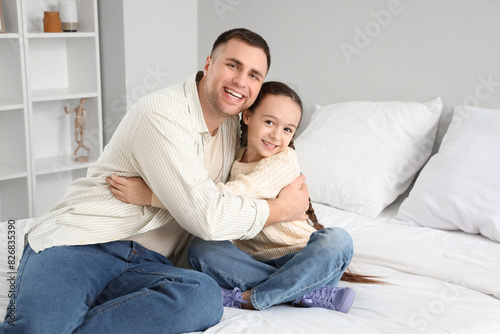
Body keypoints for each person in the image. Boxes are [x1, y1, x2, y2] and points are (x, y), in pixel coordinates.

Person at [0, 28, 312, 334]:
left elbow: (230, 188)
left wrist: (156, 196)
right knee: (39, 328)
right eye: (233, 65)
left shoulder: (235, 127)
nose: (241, 81)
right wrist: (282, 209)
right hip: (82, 243)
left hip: (146, 263)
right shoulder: (164, 115)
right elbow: (207, 217)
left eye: (254, 75)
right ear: (209, 64)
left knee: (201, 297)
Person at [107, 81, 360, 313]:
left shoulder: (283, 161)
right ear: (248, 116)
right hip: (252, 262)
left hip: (304, 260)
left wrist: (153, 196)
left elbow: (222, 198)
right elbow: (210, 204)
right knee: (201, 248)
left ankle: (251, 298)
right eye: (269, 122)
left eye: (287, 129)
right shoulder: (234, 156)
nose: (276, 135)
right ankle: (304, 292)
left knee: (338, 240)